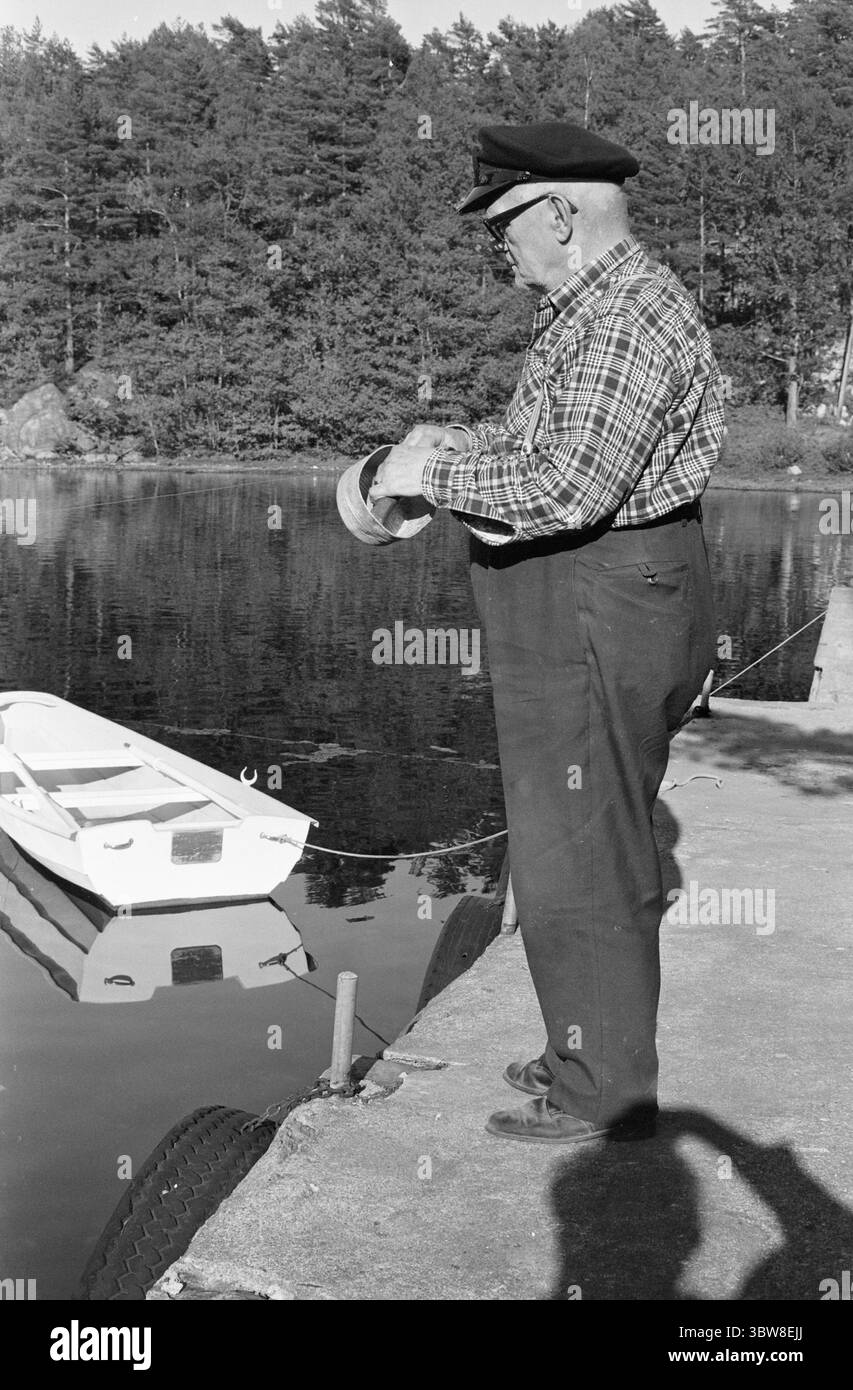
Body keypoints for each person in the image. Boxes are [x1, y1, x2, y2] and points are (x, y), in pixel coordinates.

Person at [370, 121, 725, 1144]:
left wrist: (423, 475)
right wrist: (462, 442)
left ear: (559, 214)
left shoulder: (617, 320)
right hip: (616, 590)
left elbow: (567, 486)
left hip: (593, 600)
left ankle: (600, 1089)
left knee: (577, 851)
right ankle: (587, 1043)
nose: (501, 250)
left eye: (503, 227)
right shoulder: (604, 307)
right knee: (593, 835)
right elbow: (547, 446)